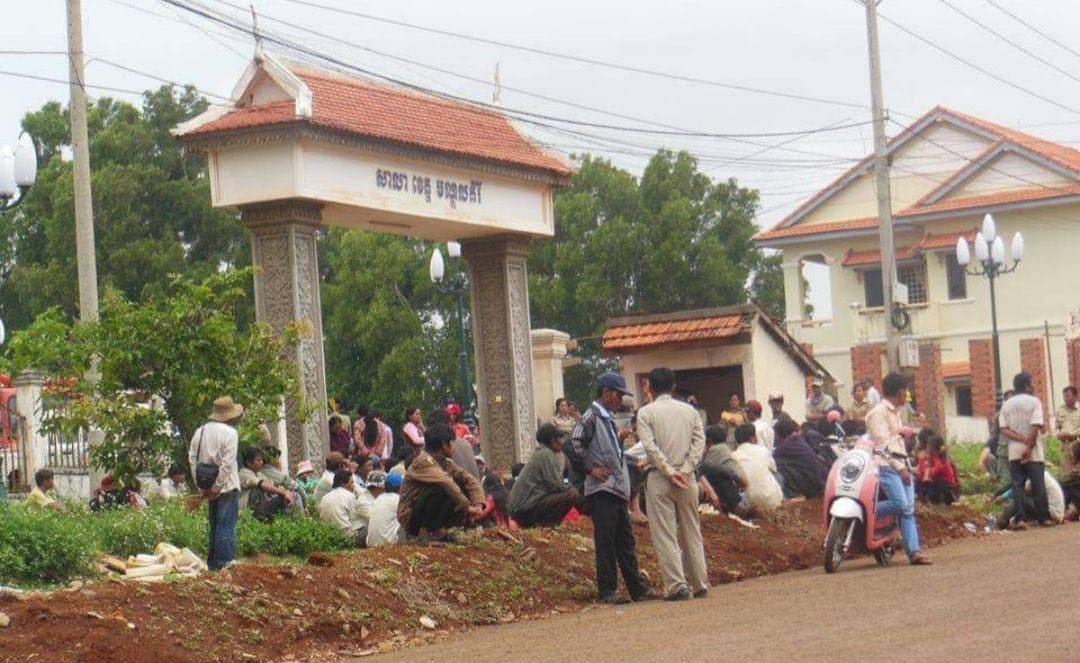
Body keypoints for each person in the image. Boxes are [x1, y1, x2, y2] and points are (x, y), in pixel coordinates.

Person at [565, 372, 652, 604]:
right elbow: (573, 444)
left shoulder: (605, 418)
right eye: (618, 394)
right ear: (606, 393)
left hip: (614, 489)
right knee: (606, 541)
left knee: (625, 540)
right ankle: (607, 591)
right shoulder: (591, 416)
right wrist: (591, 469)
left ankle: (637, 589)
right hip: (602, 490)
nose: (620, 400)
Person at [636, 367, 708, 601]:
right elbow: (699, 443)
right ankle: (700, 583)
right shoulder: (690, 411)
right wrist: (686, 470)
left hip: (659, 478)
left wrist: (668, 471)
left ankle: (676, 585)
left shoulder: (646, 413)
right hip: (688, 479)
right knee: (692, 530)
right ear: (674, 386)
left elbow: (650, 447)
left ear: (652, 388)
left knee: (665, 533)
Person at [865, 373, 932, 565]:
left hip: (901, 465)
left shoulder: (896, 414)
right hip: (886, 466)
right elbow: (882, 445)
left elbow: (897, 443)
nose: (907, 395)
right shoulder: (878, 413)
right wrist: (901, 469)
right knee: (901, 504)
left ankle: (914, 552)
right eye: (906, 392)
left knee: (908, 510)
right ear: (901, 392)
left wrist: (906, 467)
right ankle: (865, 512)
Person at [397, 424, 485, 543]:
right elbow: (445, 481)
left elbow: (469, 479)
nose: (454, 447)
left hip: (425, 512)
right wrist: (466, 508)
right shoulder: (423, 462)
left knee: (460, 482)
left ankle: (442, 530)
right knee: (442, 487)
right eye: (451, 443)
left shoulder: (445, 462)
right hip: (411, 517)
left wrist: (477, 504)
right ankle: (426, 533)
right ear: (444, 444)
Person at [188, 396, 243, 571]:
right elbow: (227, 464)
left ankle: (213, 563)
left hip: (207, 484)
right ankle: (224, 563)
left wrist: (202, 487)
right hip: (226, 486)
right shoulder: (230, 433)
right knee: (226, 525)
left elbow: (192, 459)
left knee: (214, 525)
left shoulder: (200, 431)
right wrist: (217, 487)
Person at [999, 371, 1052, 529]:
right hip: (1034, 452)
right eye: (1032, 383)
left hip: (1014, 451)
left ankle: (1020, 519)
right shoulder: (1034, 402)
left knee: (1018, 485)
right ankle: (1043, 518)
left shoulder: (1007, 404)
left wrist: (1021, 440)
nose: (1034, 385)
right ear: (1027, 386)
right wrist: (1028, 447)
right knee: (1038, 484)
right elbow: (1035, 426)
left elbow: (1004, 429)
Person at [509, 423, 580, 528]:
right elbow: (557, 486)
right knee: (572, 493)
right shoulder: (546, 454)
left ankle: (544, 526)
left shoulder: (541, 453)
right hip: (525, 510)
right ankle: (547, 526)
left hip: (521, 509)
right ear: (552, 441)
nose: (562, 442)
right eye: (559, 438)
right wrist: (572, 486)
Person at [732, 424, 782, 514]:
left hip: (748, 502)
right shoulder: (763, 450)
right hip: (772, 501)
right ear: (752, 438)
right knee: (778, 476)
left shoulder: (734, 456)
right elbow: (774, 469)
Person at [772, 418, 827, 500]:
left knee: (778, 466)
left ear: (779, 434)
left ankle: (794, 495)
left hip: (812, 487)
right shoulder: (797, 440)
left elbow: (771, 461)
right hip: (818, 482)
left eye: (775, 434)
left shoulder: (786, 446)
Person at [699, 425, 746, 514]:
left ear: (709, 441)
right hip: (740, 492)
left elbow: (702, 470)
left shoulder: (716, 450)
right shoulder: (725, 448)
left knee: (711, 473)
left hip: (738, 491)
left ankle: (726, 509)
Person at [239, 447, 294, 520]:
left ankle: (285, 520)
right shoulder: (244, 473)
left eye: (261, 460)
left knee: (282, 496)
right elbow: (263, 485)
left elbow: (271, 485)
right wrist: (283, 492)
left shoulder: (259, 474)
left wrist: (285, 492)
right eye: (258, 460)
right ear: (249, 463)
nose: (261, 462)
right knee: (258, 491)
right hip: (244, 509)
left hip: (261, 506)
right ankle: (259, 520)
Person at [319, 469, 369, 546]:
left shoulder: (325, 497)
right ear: (343, 483)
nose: (354, 486)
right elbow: (354, 520)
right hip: (347, 538)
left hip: (328, 537)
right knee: (369, 527)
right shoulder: (349, 496)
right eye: (351, 482)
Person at [916, 435, 958, 505]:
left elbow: (932, 473)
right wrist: (921, 460)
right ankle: (924, 500)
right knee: (918, 480)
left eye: (929, 444)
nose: (927, 446)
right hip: (937, 481)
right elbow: (921, 474)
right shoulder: (931, 456)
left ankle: (942, 500)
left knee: (933, 482)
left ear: (933, 447)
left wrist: (923, 461)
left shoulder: (941, 459)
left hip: (946, 484)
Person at [367, 471, 405, 547]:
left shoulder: (379, 498)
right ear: (400, 487)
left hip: (371, 543)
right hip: (388, 543)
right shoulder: (397, 499)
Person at [1056, 386, 1080, 474]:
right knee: (1067, 475)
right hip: (1065, 446)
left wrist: (1070, 434)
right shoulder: (1060, 410)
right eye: (1064, 396)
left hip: (1077, 444)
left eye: (1068, 396)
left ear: (1075, 396)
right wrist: (1058, 434)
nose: (1065, 399)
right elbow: (1057, 426)